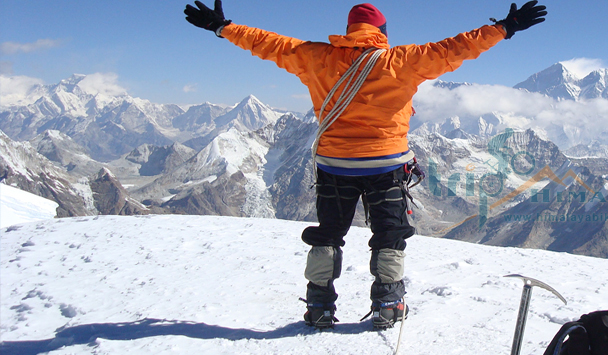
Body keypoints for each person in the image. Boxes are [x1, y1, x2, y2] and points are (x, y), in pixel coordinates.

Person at [183, 0, 547, 329]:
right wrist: (504, 27)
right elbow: (456, 48)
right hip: (386, 165)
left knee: (328, 234)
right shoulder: (402, 60)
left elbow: (268, 43)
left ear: (348, 31)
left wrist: (223, 27)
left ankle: (319, 306)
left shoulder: (315, 57)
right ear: (382, 34)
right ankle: (388, 304)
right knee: (389, 235)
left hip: (334, 165)